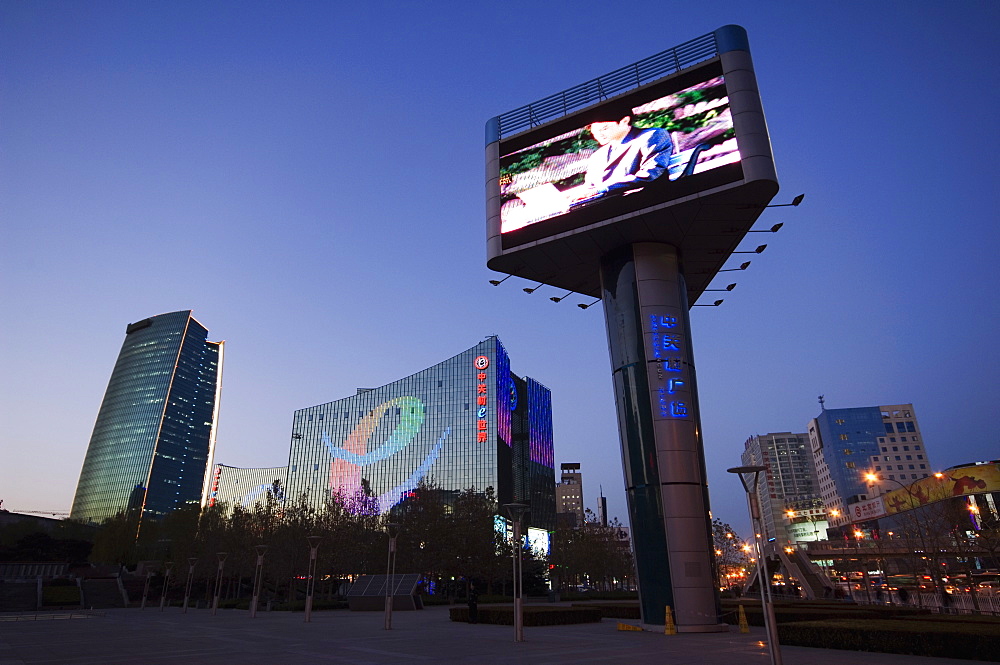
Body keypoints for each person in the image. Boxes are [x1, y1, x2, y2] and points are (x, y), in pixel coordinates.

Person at [571, 114, 673, 204]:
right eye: (594, 131)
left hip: (647, 202)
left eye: (604, 128)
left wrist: (601, 189)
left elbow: (649, 173)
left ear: (624, 121)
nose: (599, 135)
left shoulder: (652, 136)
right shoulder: (597, 156)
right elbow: (590, 186)